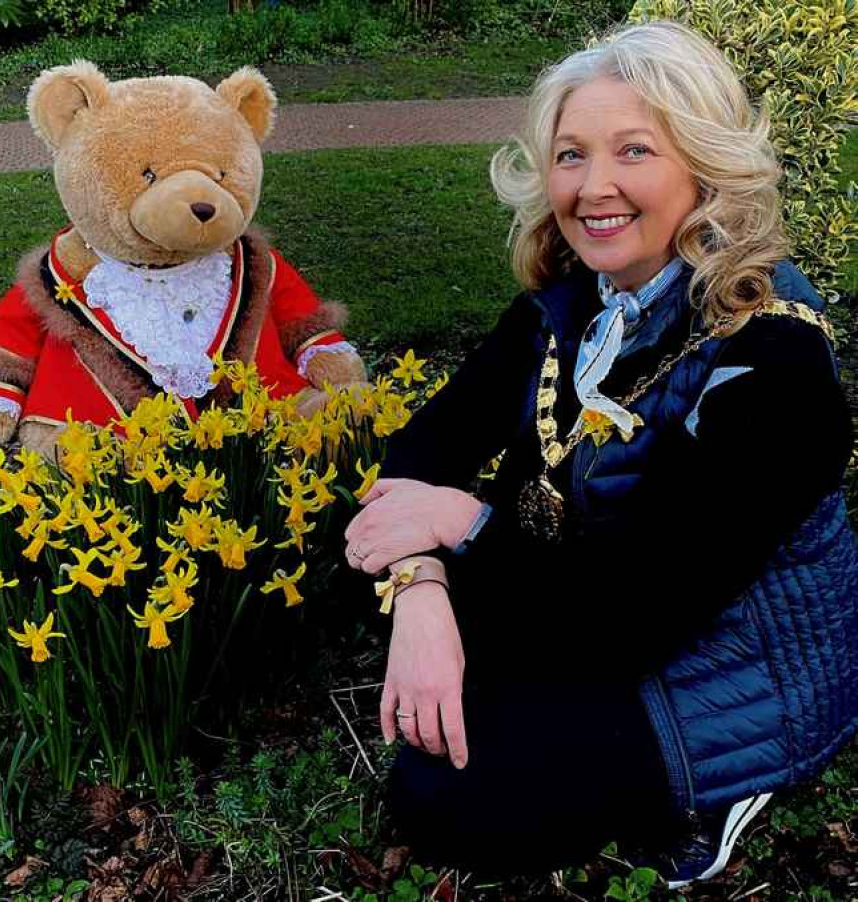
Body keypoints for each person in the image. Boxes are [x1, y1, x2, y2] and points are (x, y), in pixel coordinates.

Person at [343, 20, 857, 887]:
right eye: (571, 154)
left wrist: (462, 524)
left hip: (724, 666)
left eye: (633, 151)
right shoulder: (576, 298)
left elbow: (639, 610)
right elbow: (423, 447)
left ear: (702, 166)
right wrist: (421, 590)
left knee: (444, 795)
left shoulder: (775, 362)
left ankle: (719, 798)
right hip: (580, 596)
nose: (594, 187)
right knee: (371, 564)